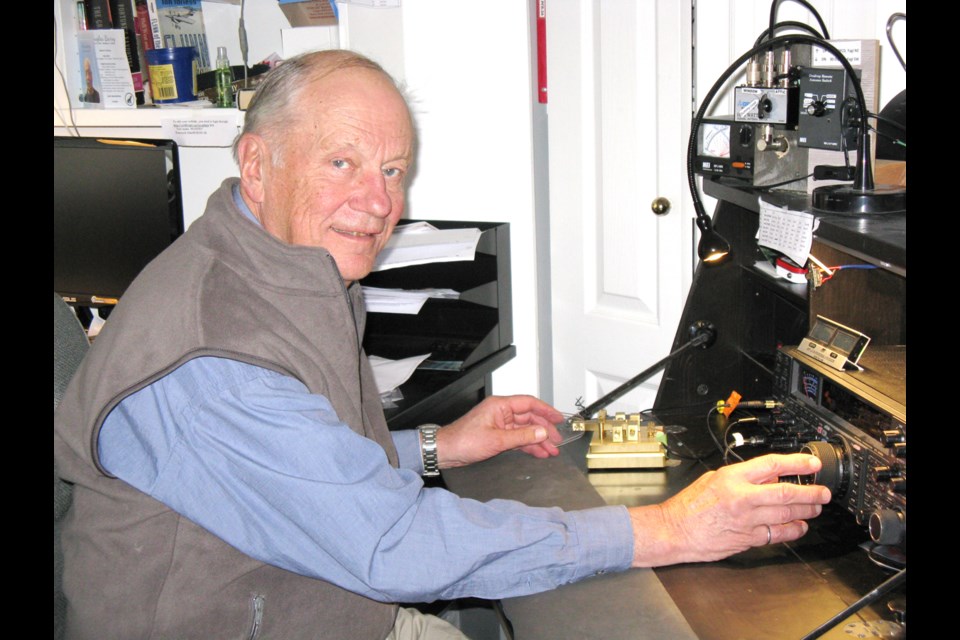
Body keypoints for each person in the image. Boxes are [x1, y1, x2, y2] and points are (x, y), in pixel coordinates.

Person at [53, 50, 830, 640]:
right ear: (257, 163)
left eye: (393, 170)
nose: (379, 202)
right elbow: (392, 544)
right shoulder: (214, 355)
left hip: (326, 603)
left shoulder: (287, 264)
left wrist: (437, 446)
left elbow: (306, 463)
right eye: (342, 163)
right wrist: (664, 530)